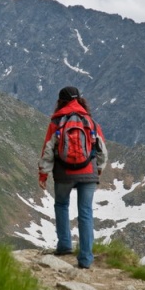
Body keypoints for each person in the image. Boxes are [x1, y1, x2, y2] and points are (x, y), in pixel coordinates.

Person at [38, 86, 108, 269]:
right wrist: (98, 169)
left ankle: (64, 245)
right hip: (88, 172)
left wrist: (43, 174)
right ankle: (85, 259)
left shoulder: (57, 121)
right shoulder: (90, 121)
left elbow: (47, 150)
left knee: (61, 204)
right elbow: (102, 150)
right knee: (85, 213)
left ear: (60, 101)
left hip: (64, 173)